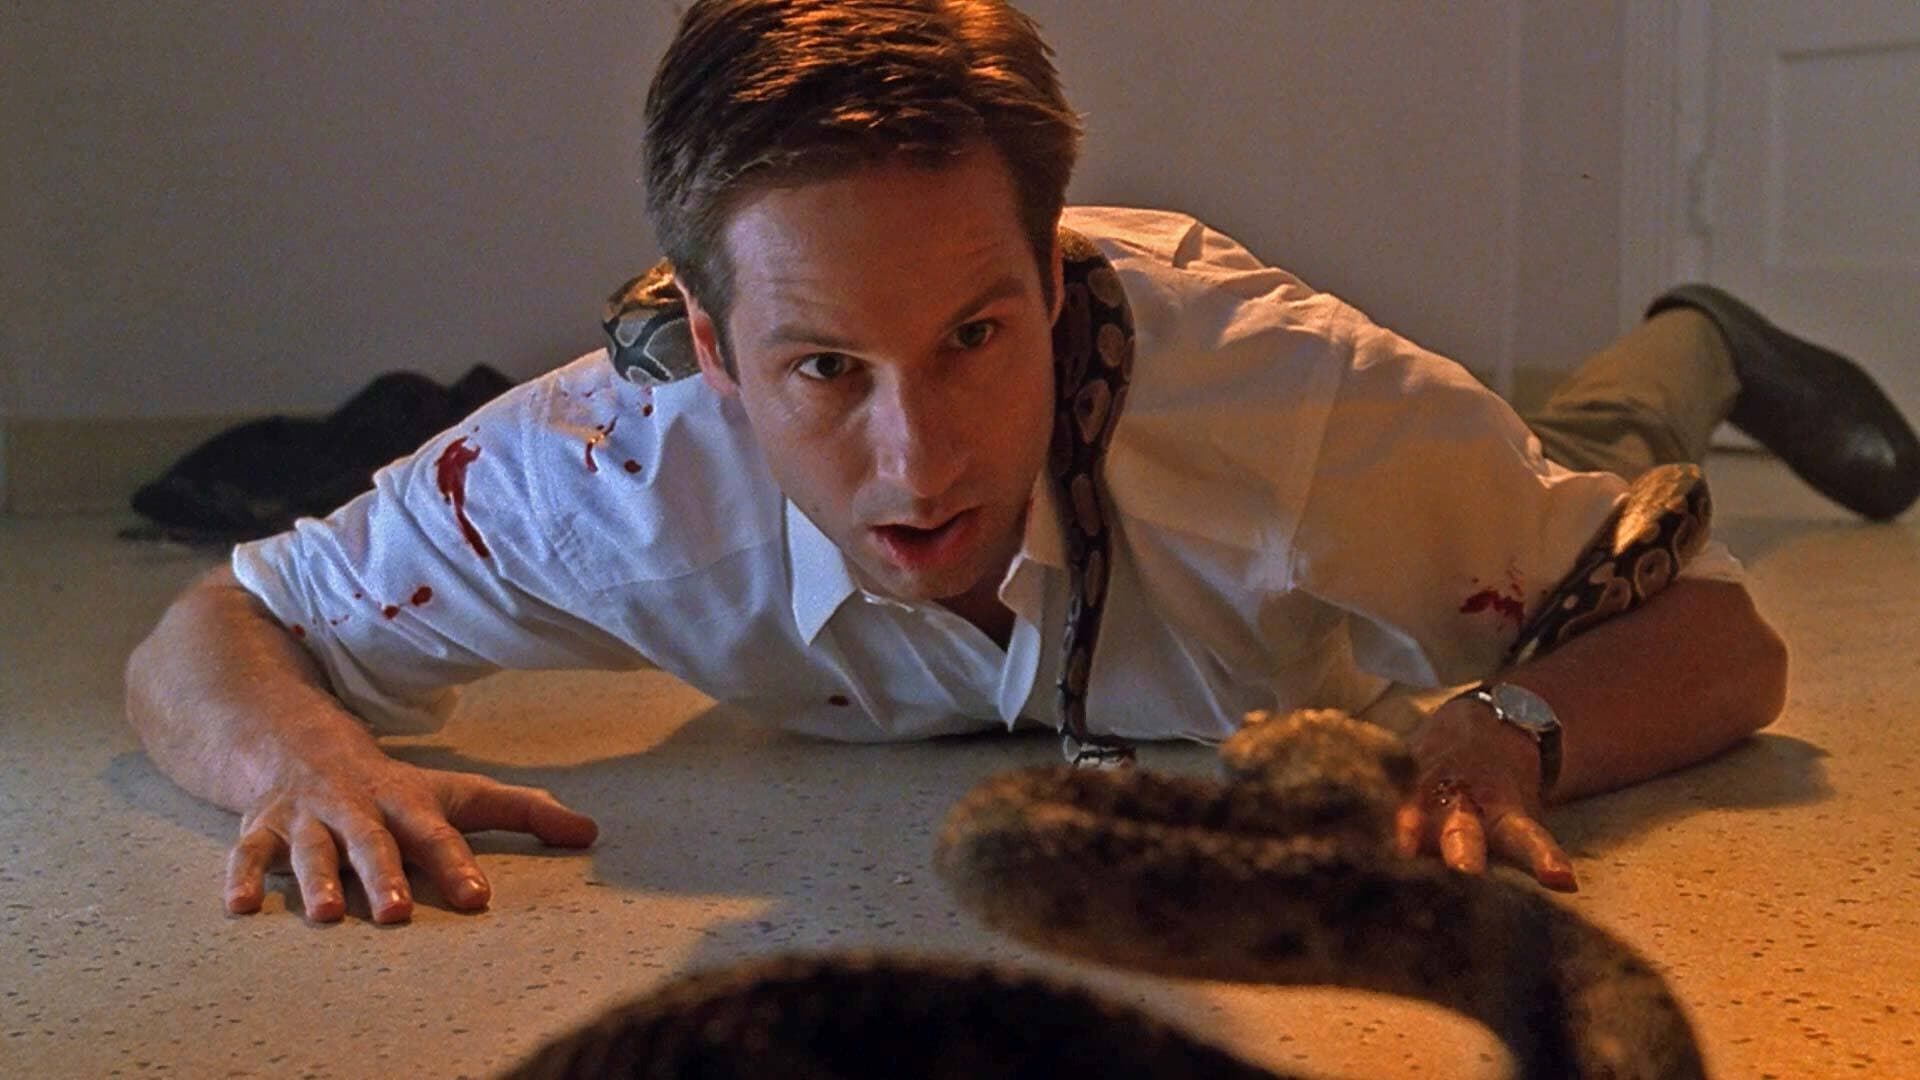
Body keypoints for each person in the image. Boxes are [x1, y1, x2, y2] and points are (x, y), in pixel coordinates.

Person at [125, 0, 1915, 926]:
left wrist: (1512, 725)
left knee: (1603, 454)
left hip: (1406, 516)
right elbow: (214, 628)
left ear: (1055, 282)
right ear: (712, 351)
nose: (917, 460)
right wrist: (305, 759)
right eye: (826, 367)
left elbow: (1716, 635)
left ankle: (1705, 335)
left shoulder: (1294, 406)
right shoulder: (602, 467)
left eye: (977, 337)